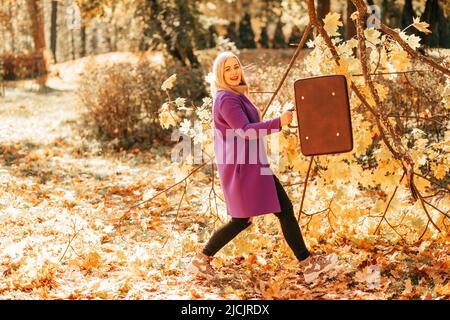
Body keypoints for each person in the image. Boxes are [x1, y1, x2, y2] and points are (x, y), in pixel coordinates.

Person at [187, 51, 337, 283]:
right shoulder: (227, 98)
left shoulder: (233, 96)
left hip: (249, 165)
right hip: (245, 168)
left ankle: (201, 259)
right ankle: (308, 265)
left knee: (244, 219)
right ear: (219, 74)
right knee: (278, 211)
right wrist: (279, 122)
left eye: (236, 66)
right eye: (227, 69)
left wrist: (281, 119)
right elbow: (246, 130)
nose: (234, 72)